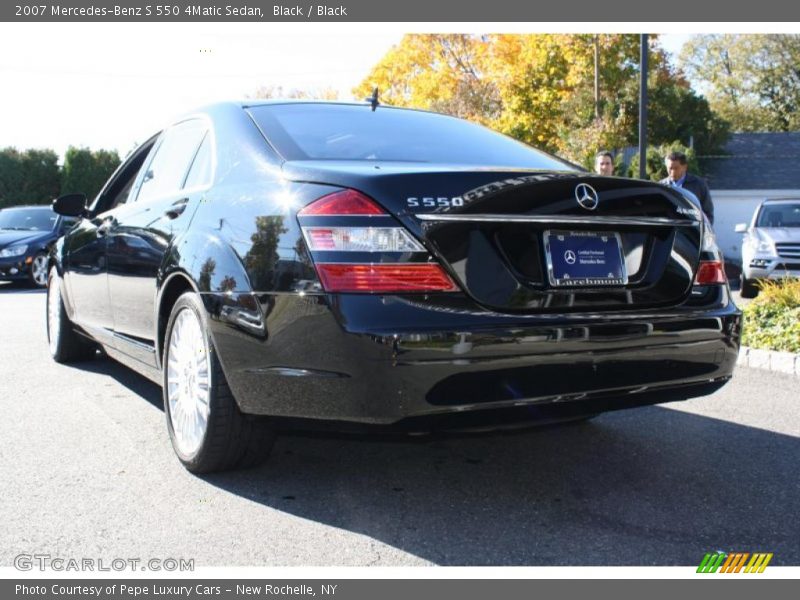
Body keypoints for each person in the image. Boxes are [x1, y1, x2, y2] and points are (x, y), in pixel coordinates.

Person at [660, 151, 714, 225]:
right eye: (670, 168)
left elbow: (707, 213)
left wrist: (702, 233)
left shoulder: (698, 185)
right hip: (667, 232)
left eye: (676, 168)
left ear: (684, 167)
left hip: (691, 232)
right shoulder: (661, 186)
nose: (672, 172)